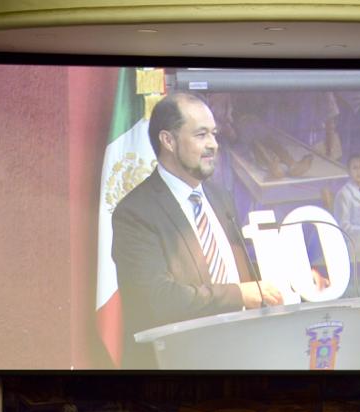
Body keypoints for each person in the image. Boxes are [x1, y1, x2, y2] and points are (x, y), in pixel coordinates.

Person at [111, 91, 283, 369]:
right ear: (168, 140)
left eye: (214, 134)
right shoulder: (135, 213)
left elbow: (242, 273)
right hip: (177, 375)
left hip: (240, 361)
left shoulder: (220, 197)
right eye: (201, 135)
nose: (214, 144)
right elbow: (156, 300)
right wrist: (239, 295)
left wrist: (293, 279)